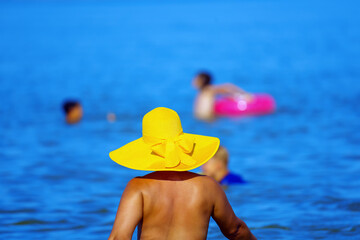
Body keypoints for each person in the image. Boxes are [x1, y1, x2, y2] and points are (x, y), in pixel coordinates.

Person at [108, 107, 256, 240]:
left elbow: (119, 237)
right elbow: (235, 230)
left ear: (148, 150)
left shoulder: (138, 187)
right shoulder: (208, 186)